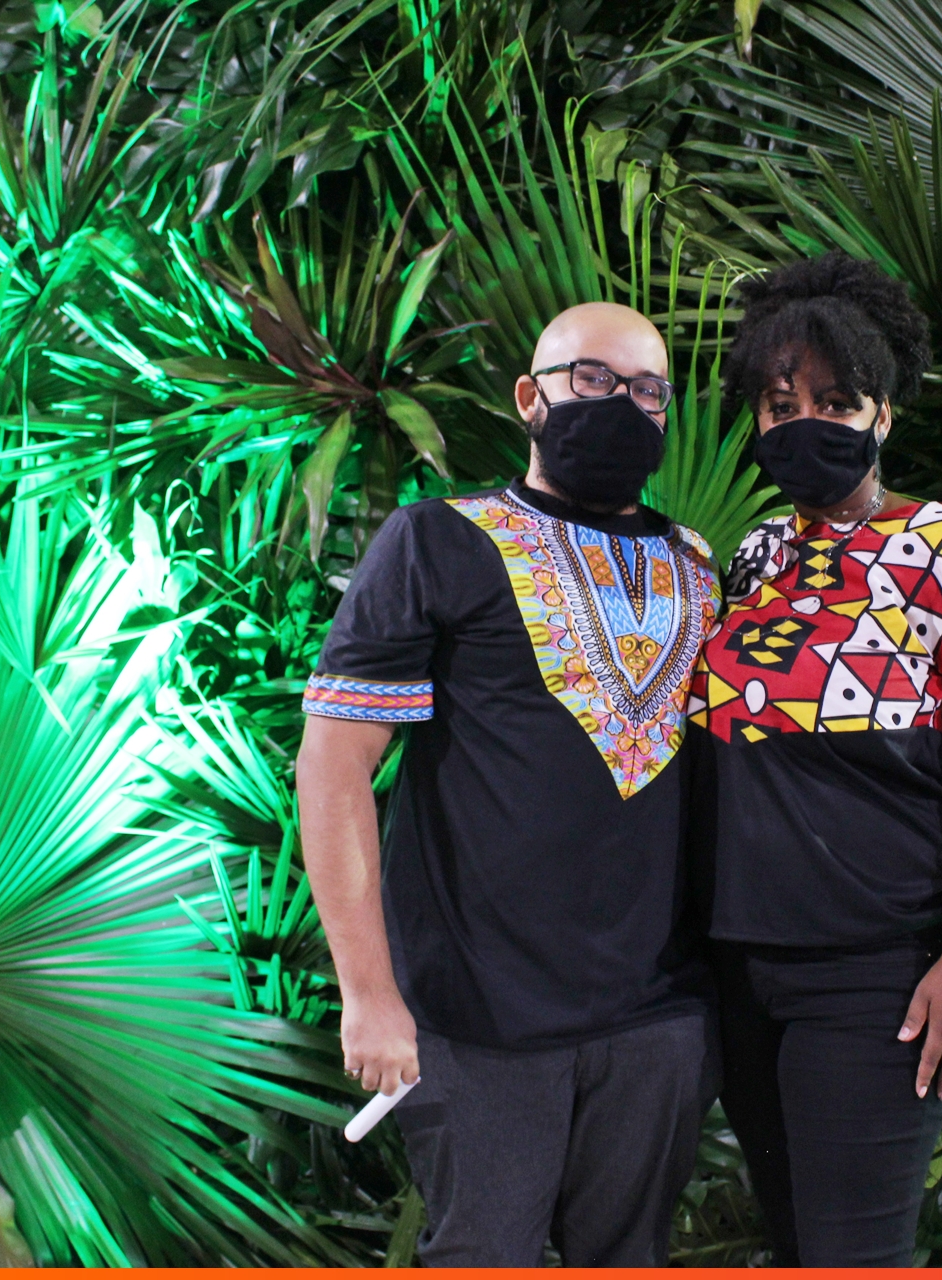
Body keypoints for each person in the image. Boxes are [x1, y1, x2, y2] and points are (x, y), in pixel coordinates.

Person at [296, 302, 723, 1266]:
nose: (621, 404)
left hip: (658, 1017)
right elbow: (333, 764)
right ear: (531, 396)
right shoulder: (436, 540)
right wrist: (369, 993)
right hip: (476, 1017)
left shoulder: (698, 568)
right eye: (593, 380)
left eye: (647, 391)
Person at [686, 254, 942, 1267]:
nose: (805, 423)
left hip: (872, 974)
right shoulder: (754, 555)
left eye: (835, 402)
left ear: (883, 412)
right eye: (780, 405)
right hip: (735, 965)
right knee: (795, 1241)